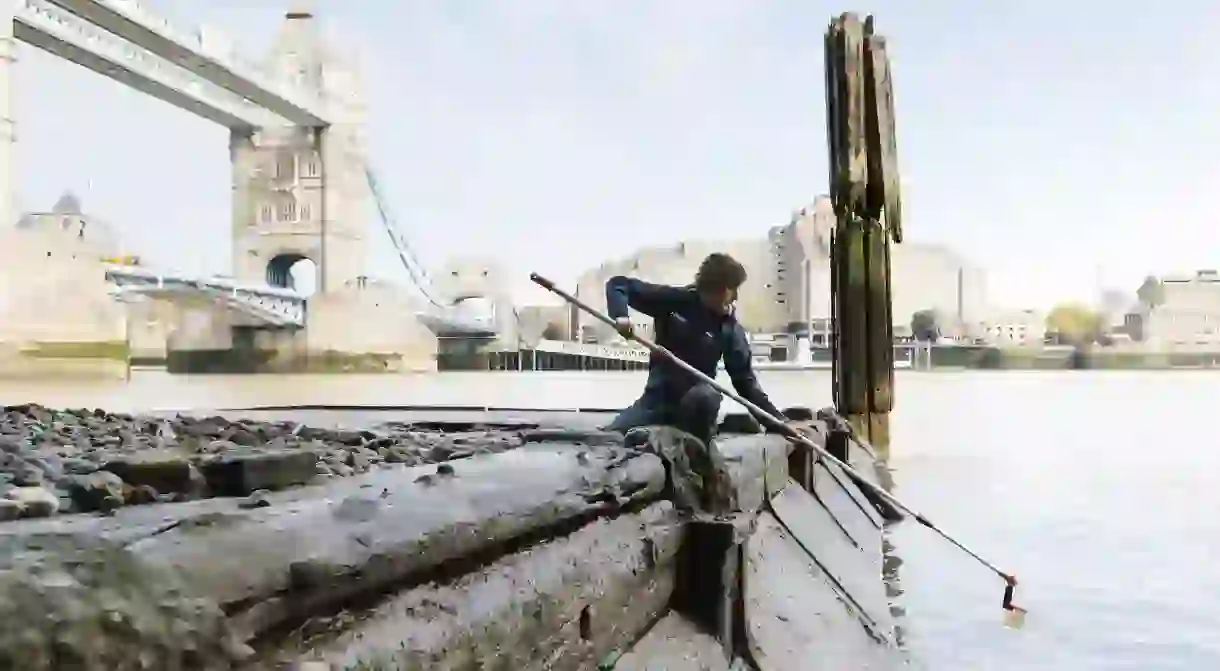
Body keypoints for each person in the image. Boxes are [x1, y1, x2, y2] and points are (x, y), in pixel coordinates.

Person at [604, 252, 793, 445]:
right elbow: (618, 285)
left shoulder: (729, 329)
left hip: (697, 406)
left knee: (707, 396)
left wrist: (779, 422)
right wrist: (620, 316)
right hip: (655, 403)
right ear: (715, 288)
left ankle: (701, 449)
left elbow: (746, 383)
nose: (735, 296)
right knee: (608, 437)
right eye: (732, 289)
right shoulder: (676, 301)